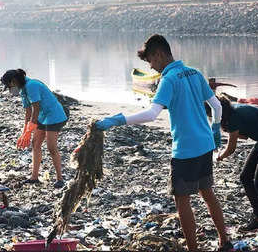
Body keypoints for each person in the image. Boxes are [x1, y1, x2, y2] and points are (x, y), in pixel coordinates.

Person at [94, 34, 232, 252]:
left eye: (150, 61)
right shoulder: (195, 73)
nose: (151, 67)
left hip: (186, 149)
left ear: (159, 54)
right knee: (207, 192)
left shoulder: (168, 79)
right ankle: (225, 241)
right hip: (205, 144)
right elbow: (217, 106)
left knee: (182, 200)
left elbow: (151, 114)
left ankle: (193, 249)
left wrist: (119, 120)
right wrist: (215, 130)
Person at [215, 96, 258, 233]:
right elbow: (245, 135)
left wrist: (219, 156)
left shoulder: (233, 118)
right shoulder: (234, 110)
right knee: (245, 177)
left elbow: (231, 149)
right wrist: (230, 131)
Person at [1, 69, 68, 189]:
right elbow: (28, 111)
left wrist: (31, 128)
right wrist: (25, 131)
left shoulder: (32, 85)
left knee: (51, 147)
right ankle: (34, 177)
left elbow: (35, 108)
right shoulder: (23, 89)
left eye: (9, 85)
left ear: (14, 80)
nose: (10, 88)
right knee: (35, 144)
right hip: (42, 116)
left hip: (54, 115)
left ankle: (60, 179)